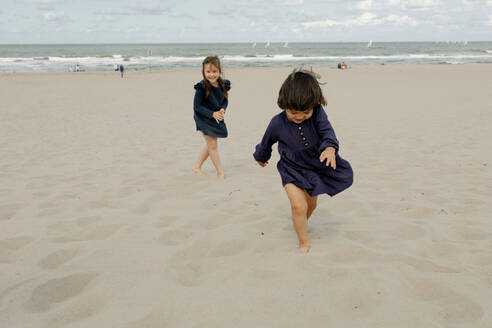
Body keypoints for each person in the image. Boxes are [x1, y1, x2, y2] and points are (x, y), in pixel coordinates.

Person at [253, 68, 353, 253]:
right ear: (283, 105)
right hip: (290, 168)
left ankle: (300, 222)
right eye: (293, 112)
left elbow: (327, 132)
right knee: (298, 205)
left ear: (314, 104)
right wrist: (261, 157)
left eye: (305, 112)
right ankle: (304, 242)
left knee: (311, 204)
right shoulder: (277, 123)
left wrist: (330, 148)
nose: (299, 117)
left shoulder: (317, 114)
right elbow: (266, 142)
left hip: (314, 167)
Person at [192, 56, 231, 179]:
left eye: (214, 71)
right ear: (203, 72)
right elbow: (197, 107)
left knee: (211, 144)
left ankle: (196, 166)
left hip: (216, 117)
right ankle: (220, 172)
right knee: (213, 145)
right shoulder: (201, 87)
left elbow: (225, 100)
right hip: (203, 117)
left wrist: (222, 109)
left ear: (219, 71)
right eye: (208, 72)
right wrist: (212, 114)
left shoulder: (223, 84)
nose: (211, 75)